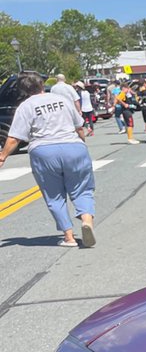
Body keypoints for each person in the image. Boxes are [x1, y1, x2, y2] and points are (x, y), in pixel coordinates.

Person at [0, 73, 97, 247]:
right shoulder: (62, 100)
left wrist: (3, 156)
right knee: (82, 188)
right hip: (73, 146)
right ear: (42, 85)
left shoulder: (25, 106)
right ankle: (87, 220)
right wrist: (82, 144)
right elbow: (79, 126)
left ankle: (68, 237)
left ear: (23, 91)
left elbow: (15, 137)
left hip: (43, 150)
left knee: (54, 195)